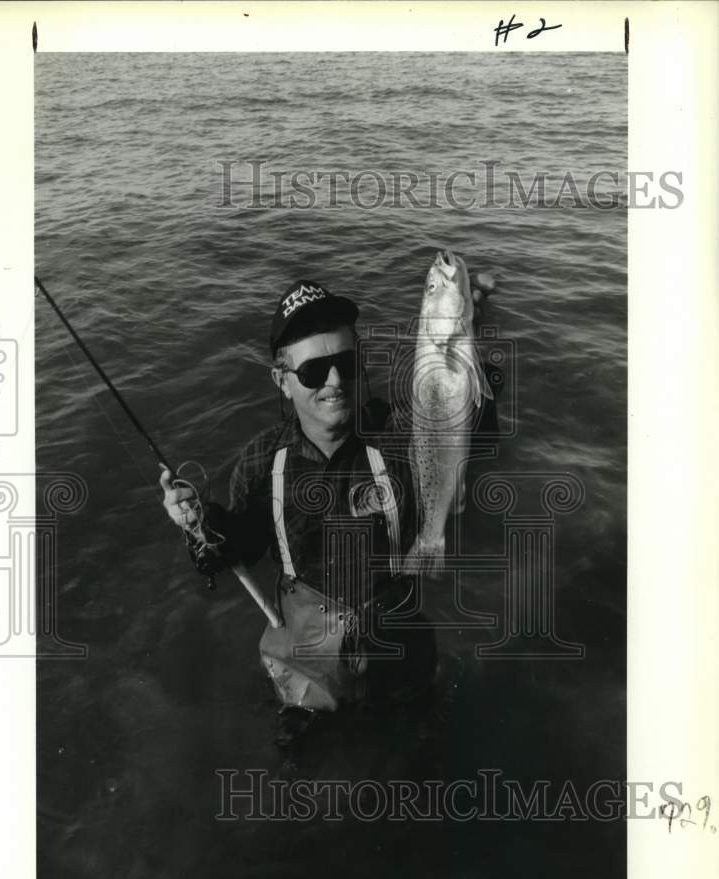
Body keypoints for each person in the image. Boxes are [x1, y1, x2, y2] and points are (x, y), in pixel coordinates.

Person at [160, 272, 495, 745]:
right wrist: (197, 525)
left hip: (400, 661)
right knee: (307, 795)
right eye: (314, 372)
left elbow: (471, 432)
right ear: (281, 380)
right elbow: (228, 550)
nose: (335, 381)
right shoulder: (262, 464)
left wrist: (471, 345)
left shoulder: (397, 433)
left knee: (421, 783)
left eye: (347, 362)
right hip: (308, 669)